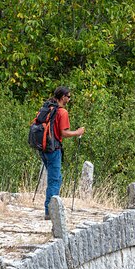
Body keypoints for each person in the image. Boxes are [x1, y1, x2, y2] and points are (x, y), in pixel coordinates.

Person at [41, 86, 85, 219]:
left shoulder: (47, 107)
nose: (69, 99)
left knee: (55, 178)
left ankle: (51, 207)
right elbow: (64, 133)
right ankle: (51, 211)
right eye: (69, 96)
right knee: (54, 180)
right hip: (53, 148)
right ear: (63, 97)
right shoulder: (62, 112)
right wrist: (78, 132)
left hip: (43, 148)